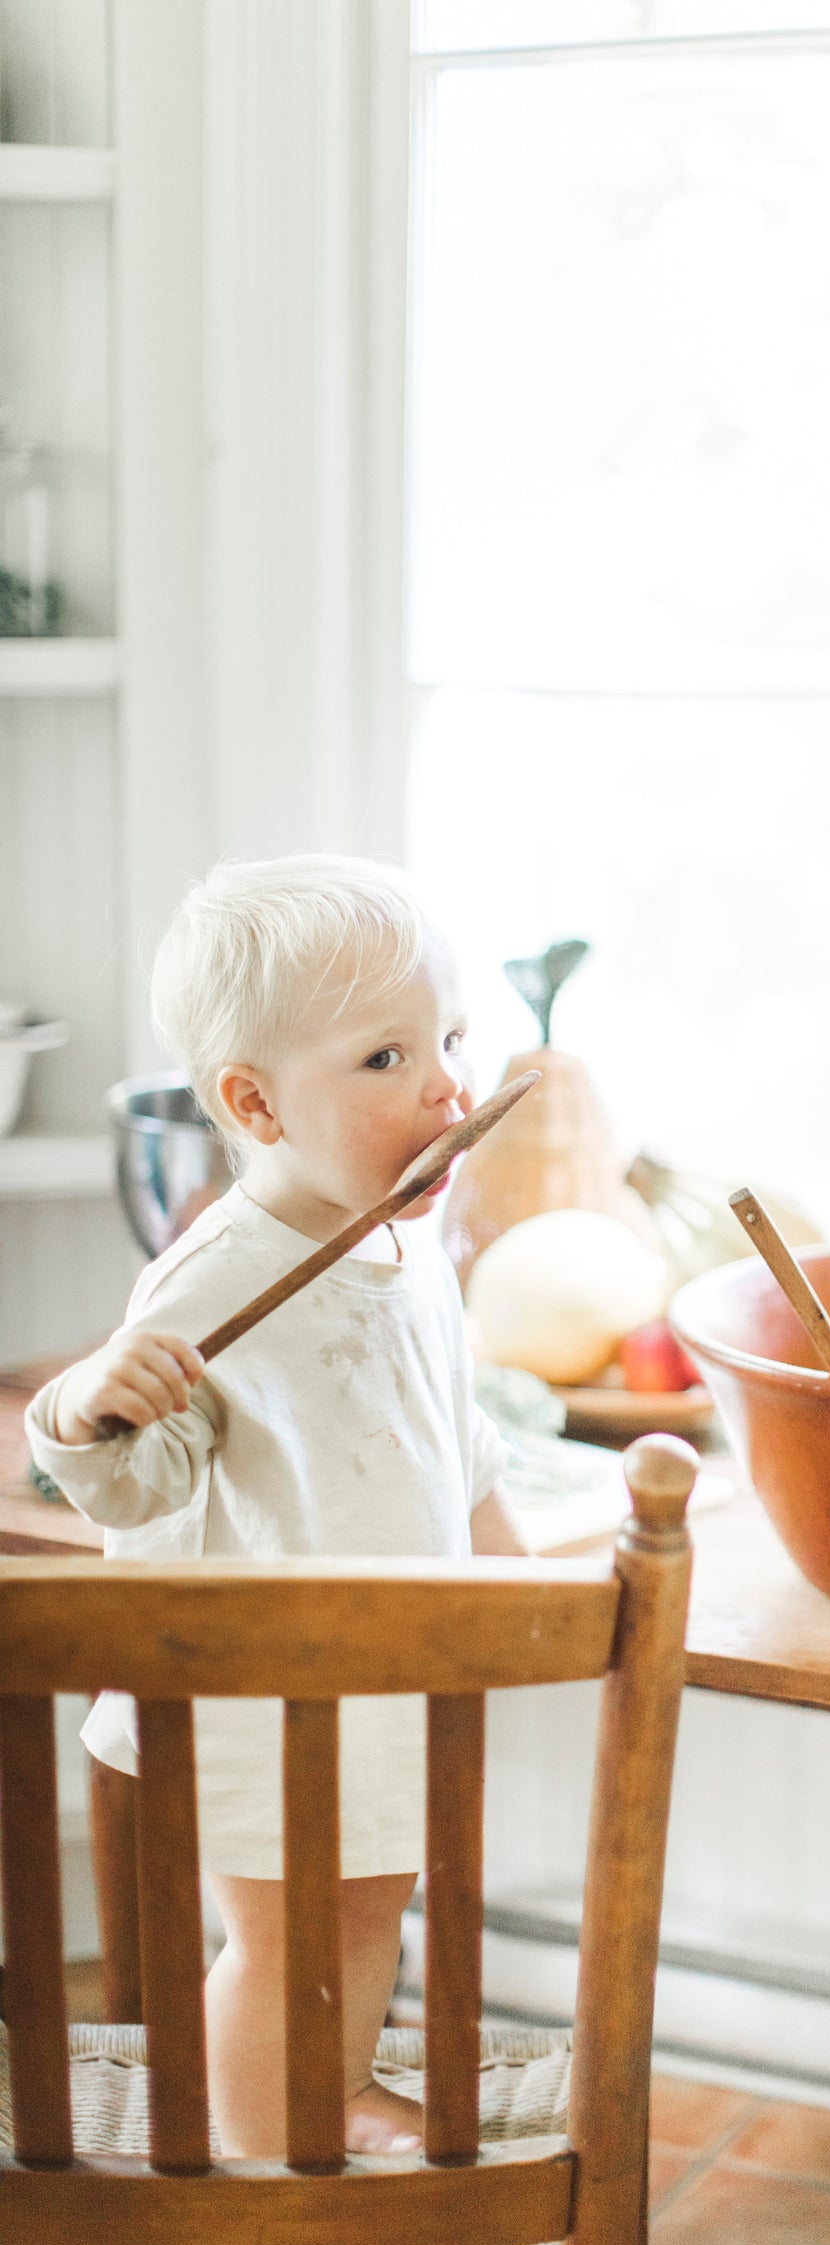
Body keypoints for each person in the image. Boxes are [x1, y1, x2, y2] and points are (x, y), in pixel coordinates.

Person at [25, 855, 529, 2159]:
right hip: (256, 1697)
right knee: (284, 1939)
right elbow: (138, 1479)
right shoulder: (213, 1275)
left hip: (384, 1680)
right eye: (383, 1058)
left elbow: (447, 1427)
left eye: (450, 1039)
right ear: (255, 1100)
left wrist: (514, 1579)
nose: (443, 1085)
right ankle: (260, 2175)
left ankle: (333, 2088)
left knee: (367, 1919)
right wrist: (81, 1408)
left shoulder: (405, 1236)